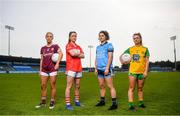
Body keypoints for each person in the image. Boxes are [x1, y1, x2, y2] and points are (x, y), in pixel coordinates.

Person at [120, 32, 150, 111]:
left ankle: (141, 103)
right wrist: (123, 61)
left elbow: (147, 61)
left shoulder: (145, 49)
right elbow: (121, 56)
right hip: (132, 72)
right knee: (131, 88)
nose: (135, 39)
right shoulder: (130, 49)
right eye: (134, 38)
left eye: (137, 38)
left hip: (141, 72)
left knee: (140, 88)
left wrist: (146, 72)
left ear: (140, 39)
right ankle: (131, 105)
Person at [35, 32, 63, 109]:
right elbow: (42, 59)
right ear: (45, 37)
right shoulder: (42, 48)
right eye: (48, 36)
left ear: (52, 38)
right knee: (43, 86)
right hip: (44, 69)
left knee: (52, 85)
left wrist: (57, 63)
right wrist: (40, 70)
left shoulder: (55, 46)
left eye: (50, 36)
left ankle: (52, 101)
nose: (49, 38)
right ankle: (43, 102)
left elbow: (61, 54)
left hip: (52, 69)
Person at [95, 30, 118, 110]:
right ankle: (102, 101)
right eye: (100, 35)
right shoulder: (98, 47)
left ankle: (114, 104)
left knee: (110, 86)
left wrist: (107, 68)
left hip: (107, 69)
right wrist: (95, 68)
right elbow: (96, 58)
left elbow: (110, 57)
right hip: (99, 69)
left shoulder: (109, 45)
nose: (101, 37)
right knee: (101, 86)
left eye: (102, 35)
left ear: (106, 37)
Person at [65, 31, 85, 110]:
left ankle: (77, 102)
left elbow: (83, 55)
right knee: (69, 87)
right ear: (69, 37)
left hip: (79, 68)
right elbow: (72, 54)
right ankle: (68, 104)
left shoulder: (78, 46)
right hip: (71, 68)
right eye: (73, 36)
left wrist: (76, 52)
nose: (74, 37)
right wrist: (78, 53)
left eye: (75, 36)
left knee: (77, 86)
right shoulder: (68, 45)